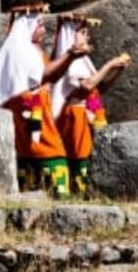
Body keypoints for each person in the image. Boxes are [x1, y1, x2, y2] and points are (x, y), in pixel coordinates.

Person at [0, 3, 90, 196]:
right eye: (40, 24)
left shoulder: (36, 52)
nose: (43, 30)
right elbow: (44, 76)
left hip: (41, 117)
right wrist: (70, 54)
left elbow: (50, 76)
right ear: (27, 25)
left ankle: (51, 197)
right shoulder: (18, 50)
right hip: (29, 120)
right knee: (50, 155)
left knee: (52, 155)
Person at [51, 14, 132, 196]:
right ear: (71, 36)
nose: (87, 37)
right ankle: (80, 191)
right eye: (83, 33)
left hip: (93, 112)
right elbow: (86, 85)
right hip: (77, 115)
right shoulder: (70, 62)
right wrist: (109, 64)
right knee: (82, 155)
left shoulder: (84, 61)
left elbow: (98, 88)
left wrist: (117, 70)